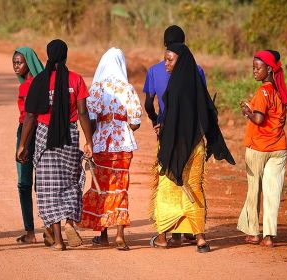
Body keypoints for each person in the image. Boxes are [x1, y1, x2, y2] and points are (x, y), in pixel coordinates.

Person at [149, 43, 235, 253]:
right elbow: (207, 115)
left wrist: (163, 129)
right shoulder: (196, 84)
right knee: (194, 189)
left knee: (166, 189)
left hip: (176, 148)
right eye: (166, 59)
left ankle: (162, 237)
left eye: (170, 60)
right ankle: (200, 240)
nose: (166, 64)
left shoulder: (175, 88)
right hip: (196, 148)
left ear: (181, 60)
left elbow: (174, 121)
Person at [17, 39, 93, 251]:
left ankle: (59, 241)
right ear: (66, 56)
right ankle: (70, 222)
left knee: (49, 188)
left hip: (44, 137)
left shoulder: (39, 81)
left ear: (48, 57)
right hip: (69, 136)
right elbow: (83, 113)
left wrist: (22, 144)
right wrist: (90, 141)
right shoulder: (76, 80)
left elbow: (30, 116)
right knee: (70, 181)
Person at [143, 25, 206, 246]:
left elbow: (149, 104)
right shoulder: (196, 71)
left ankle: (167, 233)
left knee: (169, 183)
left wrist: (156, 122)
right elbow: (203, 105)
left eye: (170, 59)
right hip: (194, 138)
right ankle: (195, 234)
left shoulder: (155, 70)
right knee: (192, 183)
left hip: (169, 136)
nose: (167, 64)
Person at [78, 48, 142, 251]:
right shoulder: (128, 89)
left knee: (102, 187)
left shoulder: (97, 88)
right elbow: (136, 122)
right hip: (123, 146)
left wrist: (91, 141)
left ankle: (103, 234)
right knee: (121, 187)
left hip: (102, 145)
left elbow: (91, 119)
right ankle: (120, 236)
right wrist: (122, 125)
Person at [237, 50, 287, 248]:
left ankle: (253, 233)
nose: (254, 71)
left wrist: (247, 112)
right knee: (272, 192)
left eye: (258, 68)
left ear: (269, 69)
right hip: (278, 148)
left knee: (254, 190)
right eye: (253, 67)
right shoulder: (280, 91)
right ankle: (269, 236)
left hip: (258, 147)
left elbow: (259, 119)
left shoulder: (262, 92)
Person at [12, 47, 44, 244]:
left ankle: (30, 232)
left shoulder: (27, 87)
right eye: (14, 63)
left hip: (26, 131)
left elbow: (28, 116)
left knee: (24, 183)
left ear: (29, 63)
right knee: (43, 181)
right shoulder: (45, 83)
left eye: (19, 62)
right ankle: (50, 228)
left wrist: (22, 144)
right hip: (43, 132)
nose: (16, 66)